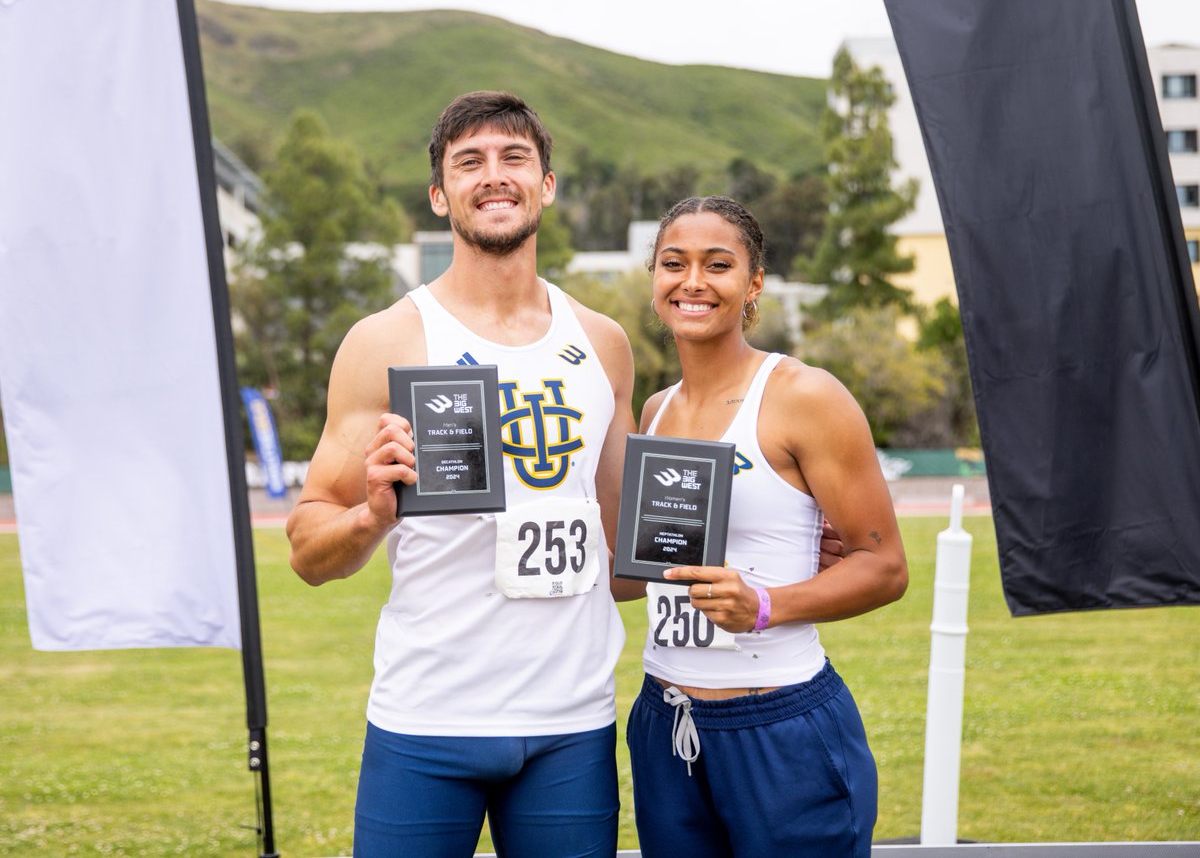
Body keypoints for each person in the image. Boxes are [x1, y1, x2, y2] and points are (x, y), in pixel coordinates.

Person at [286, 91, 642, 857]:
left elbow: (627, 556)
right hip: (428, 719)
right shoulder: (386, 340)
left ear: (547, 183)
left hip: (570, 724)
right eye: (469, 162)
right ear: (440, 194)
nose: (495, 176)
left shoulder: (606, 345)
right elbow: (308, 549)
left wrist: (771, 557)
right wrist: (370, 518)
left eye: (515, 158)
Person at [625, 196, 908, 858]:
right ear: (654, 278)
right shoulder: (655, 411)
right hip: (665, 723)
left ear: (753, 284)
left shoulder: (804, 396)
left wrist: (763, 606)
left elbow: (885, 566)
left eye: (717, 265)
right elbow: (639, 571)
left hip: (778, 724)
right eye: (674, 263)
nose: (692, 282)